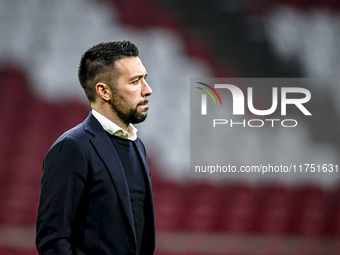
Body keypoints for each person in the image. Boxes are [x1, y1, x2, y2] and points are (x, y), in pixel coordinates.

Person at [36, 41, 155, 255]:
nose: (148, 90)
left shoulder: (137, 145)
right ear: (104, 91)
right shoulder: (73, 147)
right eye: (136, 81)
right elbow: (53, 242)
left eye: (145, 79)